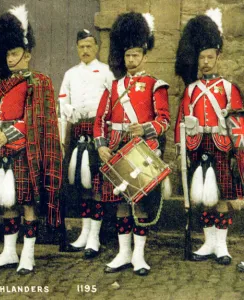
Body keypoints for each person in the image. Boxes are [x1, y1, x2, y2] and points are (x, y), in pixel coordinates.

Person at [0, 5, 62, 275]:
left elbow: (37, 122)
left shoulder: (38, 82)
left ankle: (27, 255)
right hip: (1, 149)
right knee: (7, 204)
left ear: (27, 55)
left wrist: (4, 133)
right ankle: (9, 252)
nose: (10, 59)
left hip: (24, 149)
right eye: (7, 53)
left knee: (27, 203)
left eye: (15, 53)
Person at [93, 12, 170, 276]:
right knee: (121, 204)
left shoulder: (155, 85)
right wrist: (101, 145)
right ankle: (123, 253)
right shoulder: (113, 86)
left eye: (136, 55)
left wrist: (146, 128)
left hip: (142, 149)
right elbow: (100, 120)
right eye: (127, 55)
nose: (131, 60)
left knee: (139, 204)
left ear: (144, 56)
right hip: (115, 149)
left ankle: (139, 255)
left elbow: (164, 121)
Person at [175, 8, 243, 265]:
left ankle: (222, 246)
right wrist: (181, 147)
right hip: (197, 145)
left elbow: (238, 124)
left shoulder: (228, 88)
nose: (205, 62)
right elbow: (181, 120)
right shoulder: (191, 90)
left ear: (218, 57)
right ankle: (207, 242)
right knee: (203, 197)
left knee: (223, 197)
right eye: (201, 57)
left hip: (221, 146)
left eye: (210, 57)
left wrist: (238, 152)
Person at [58, 29, 113, 258]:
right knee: (82, 184)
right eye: (81, 46)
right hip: (78, 130)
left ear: (97, 47)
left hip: (98, 131)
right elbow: (63, 101)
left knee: (97, 185)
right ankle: (84, 232)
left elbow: (113, 102)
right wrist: (64, 132)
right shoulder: (70, 73)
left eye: (89, 46)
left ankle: (95, 237)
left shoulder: (106, 72)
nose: (85, 50)